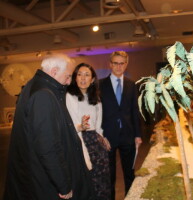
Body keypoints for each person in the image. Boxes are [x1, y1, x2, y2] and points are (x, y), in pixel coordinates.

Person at [3, 54, 94, 200]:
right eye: (68, 76)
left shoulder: (35, 86)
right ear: (54, 72)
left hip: (37, 176)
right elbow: (48, 146)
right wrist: (63, 185)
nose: (69, 81)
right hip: (43, 181)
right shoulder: (43, 95)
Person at [99, 51, 142, 199]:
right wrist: (100, 134)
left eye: (122, 63)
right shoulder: (100, 85)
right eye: (115, 63)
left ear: (126, 64)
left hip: (128, 135)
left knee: (129, 173)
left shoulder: (132, 85)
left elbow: (135, 111)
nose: (118, 66)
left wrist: (138, 134)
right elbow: (97, 111)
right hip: (107, 136)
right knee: (109, 175)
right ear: (110, 64)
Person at [66, 63, 111, 199]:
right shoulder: (70, 96)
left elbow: (98, 125)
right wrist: (82, 126)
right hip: (80, 141)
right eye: (79, 74)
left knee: (102, 181)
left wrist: (102, 137)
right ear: (75, 78)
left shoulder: (95, 98)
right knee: (88, 183)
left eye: (87, 75)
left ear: (92, 80)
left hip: (96, 143)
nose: (83, 78)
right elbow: (70, 125)